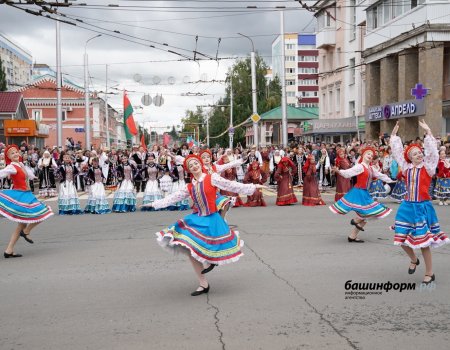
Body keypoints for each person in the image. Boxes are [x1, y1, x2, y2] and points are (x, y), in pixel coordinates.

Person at [142, 154, 265, 296]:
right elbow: (173, 197)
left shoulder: (211, 177)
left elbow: (231, 185)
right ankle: (203, 283)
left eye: (196, 163)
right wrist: (154, 204)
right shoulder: (189, 186)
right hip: (197, 219)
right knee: (189, 250)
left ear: (200, 164)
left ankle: (210, 261)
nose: (194, 166)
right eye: (191, 165)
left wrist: (253, 186)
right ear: (188, 169)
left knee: (204, 248)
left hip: (212, 220)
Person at [390, 120, 449, 284]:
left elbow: (433, 154)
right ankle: (414, 259)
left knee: (424, 243)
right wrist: (394, 135)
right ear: (409, 157)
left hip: (422, 206)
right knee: (400, 238)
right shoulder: (406, 167)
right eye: (414, 154)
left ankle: (429, 272)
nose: (419, 155)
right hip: (407, 206)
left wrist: (428, 132)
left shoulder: (428, 167)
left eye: (419, 152)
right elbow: (397, 152)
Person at [330, 146, 395, 243]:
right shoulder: (360, 166)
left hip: (364, 192)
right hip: (358, 192)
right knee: (368, 213)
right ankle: (355, 220)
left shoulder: (371, 168)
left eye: (371, 155)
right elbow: (348, 173)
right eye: (368, 154)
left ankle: (352, 236)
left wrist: (392, 181)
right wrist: (338, 171)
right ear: (363, 155)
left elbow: (381, 175)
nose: (370, 156)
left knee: (367, 216)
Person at [0, 145, 54, 258]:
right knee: (42, 212)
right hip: (21, 195)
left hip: (27, 194)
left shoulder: (21, 164)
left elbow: (28, 175)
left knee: (21, 224)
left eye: (16, 152)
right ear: (9, 157)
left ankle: (9, 250)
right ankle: (26, 232)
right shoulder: (12, 166)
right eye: (12, 153)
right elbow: (2, 173)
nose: (15, 154)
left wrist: (34, 177)